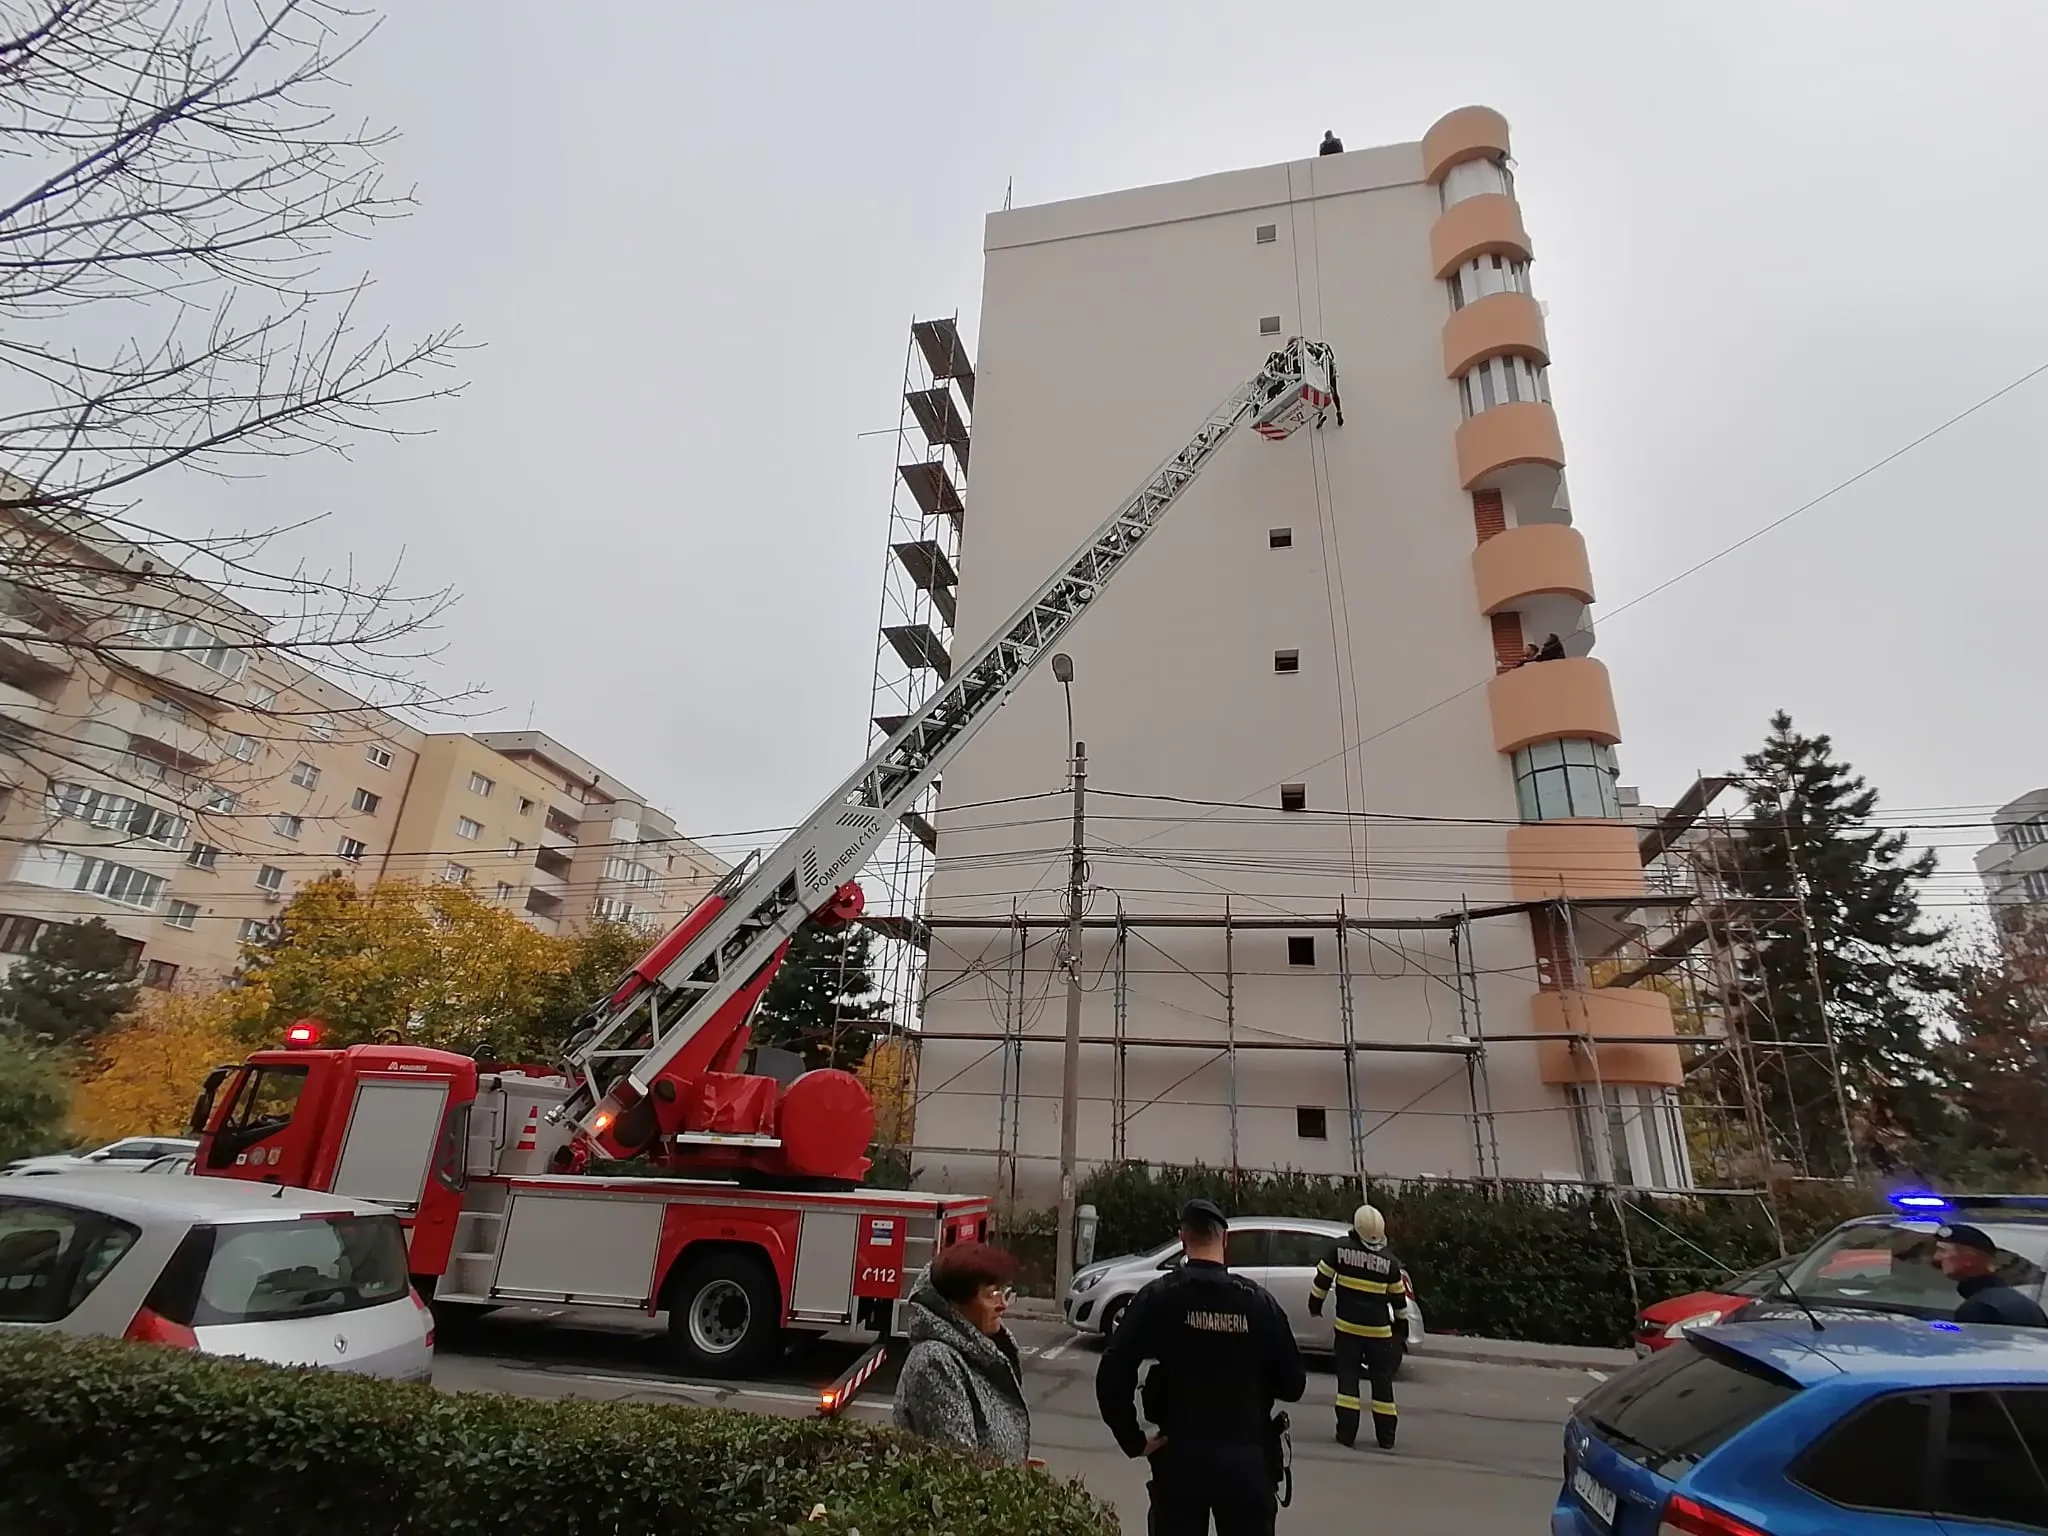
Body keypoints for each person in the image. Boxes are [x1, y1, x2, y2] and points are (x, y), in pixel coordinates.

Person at [1096, 1199, 1305, 1536]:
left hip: (1179, 1459)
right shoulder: (1258, 1303)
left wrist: (1133, 1440)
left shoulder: (1158, 1298)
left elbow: (1113, 1371)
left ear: (1183, 1239)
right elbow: (1293, 1385)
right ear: (1225, 1240)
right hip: (1246, 1461)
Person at [893, 1241, 1033, 1463]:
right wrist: (1008, 1477)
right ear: (954, 1304)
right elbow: (956, 1466)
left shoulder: (981, 1352)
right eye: (991, 1294)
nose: (1002, 1304)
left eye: (1005, 1292)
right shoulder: (934, 1361)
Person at [1308, 1203, 1407, 1449]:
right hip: (1379, 1335)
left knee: (1348, 1382)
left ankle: (1346, 1433)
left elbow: (1321, 1282)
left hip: (1348, 1330)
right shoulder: (1390, 1262)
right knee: (1382, 1383)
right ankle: (1386, 1437)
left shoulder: (1338, 1250)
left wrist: (1315, 1306)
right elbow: (1399, 1301)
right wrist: (1400, 1330)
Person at [1937, 1223, 2048, 1327]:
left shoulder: (1981, 1308)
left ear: (1969, 1258)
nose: (1937, 1258)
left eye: (1943, 1251)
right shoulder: (2022, 1303)